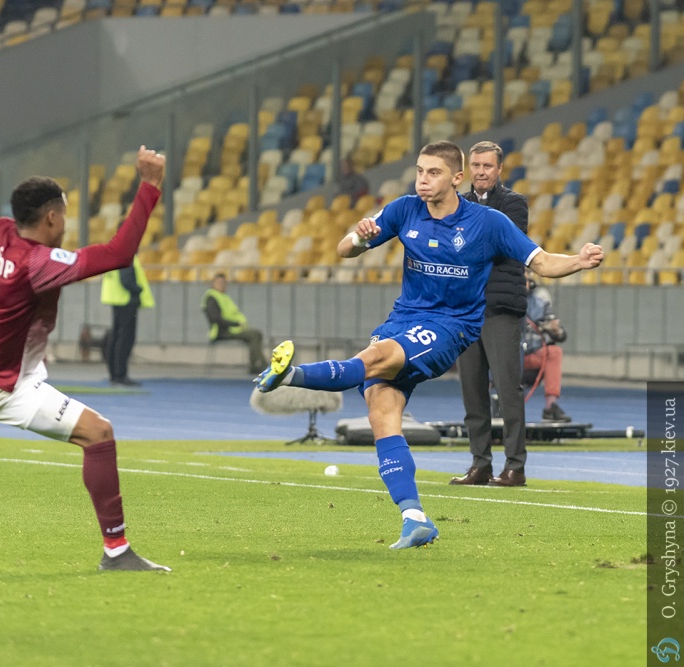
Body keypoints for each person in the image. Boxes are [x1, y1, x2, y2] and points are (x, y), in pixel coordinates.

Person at [254, 141, 604, 549]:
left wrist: (578, 260)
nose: (423, 180)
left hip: (451, 326)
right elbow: (344, 248)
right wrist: (361, 239)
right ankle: (414, 518)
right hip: (402, 319)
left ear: (457, 178)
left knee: (375, 358)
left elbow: (541, 261)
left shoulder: (488, 222)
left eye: (433, 172)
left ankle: (289, 375)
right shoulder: (404, 209)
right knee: (381, 411)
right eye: (420, 171)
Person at [0, 146, 170, 572]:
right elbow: (118, 254)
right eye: (65, 216)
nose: (66, 224)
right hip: (5, 389)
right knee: (99, 434)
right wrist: (149, 185)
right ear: (52, 218)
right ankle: (116, 551)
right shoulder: (38, 263)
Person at [451, 141, 530, 488]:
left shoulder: (514, 203)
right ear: (468, 169)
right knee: (472, 391)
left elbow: (498, 244)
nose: (481, 171)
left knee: (508, 389)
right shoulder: (459, 203)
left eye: (487, 166)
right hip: (466, 311)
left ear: (499, 170)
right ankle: (480, 464)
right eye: (476, 165)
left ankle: (515, 467)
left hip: (500, 308)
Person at [523, 273, 571, 422]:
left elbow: (560, 334)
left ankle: (551, 406)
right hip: (505, 354)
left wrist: (555, 330)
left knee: (554, 352)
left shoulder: (541, 302)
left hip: (530, 354)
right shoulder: (498, 299)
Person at [101, 254, 153, 386]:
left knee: (115, 337)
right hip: (126, 300)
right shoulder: (126, 256)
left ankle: (114, 375)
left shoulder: (114, 255)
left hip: (117, 299)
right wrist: (139, 289)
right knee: (125, 339)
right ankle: (120, 375)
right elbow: (126, 280)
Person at [201, 273, 267, 373]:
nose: (221, 285)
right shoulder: (211, 298)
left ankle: (255, 365)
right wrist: (235, 324)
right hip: (222, 331)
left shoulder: (223, 296)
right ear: (212, 283)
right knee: (254, 335)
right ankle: (262, 365)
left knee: (254, 335)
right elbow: (215, 318)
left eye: (223, 283)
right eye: (218, 282)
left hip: (231, 329)